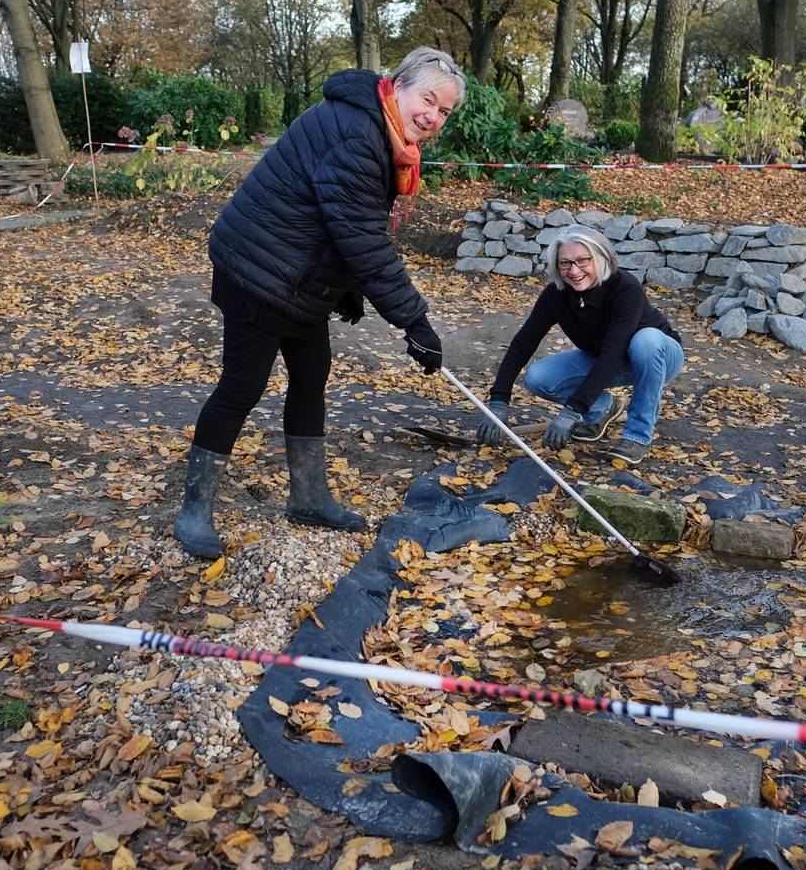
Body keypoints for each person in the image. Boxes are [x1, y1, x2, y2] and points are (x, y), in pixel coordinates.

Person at [175, 47, 466, 558]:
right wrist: (413, 320)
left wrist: (348, 289)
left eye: (444, 111)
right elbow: (359, 234)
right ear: (396, 86)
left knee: (311, 378)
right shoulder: (358, 132)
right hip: (257, 270)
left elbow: (338, 220)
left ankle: (308, 497)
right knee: (241, 387)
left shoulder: (377, 128)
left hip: (299, 276)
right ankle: (194, 511)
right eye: (428, 100)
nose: (433, 116)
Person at [477, 224, 683, 465]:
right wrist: (498, 401)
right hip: (603, 358)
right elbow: (524, 343)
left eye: (583, 261)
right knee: (538, 377)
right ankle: (602, 409)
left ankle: (637, 436)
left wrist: (572, 409)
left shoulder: (625, 287)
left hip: (658, 356)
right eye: (565, 263)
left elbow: (613, 353)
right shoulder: (556, 294)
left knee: (645, 340)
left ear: (600, 258)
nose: (574, 270)